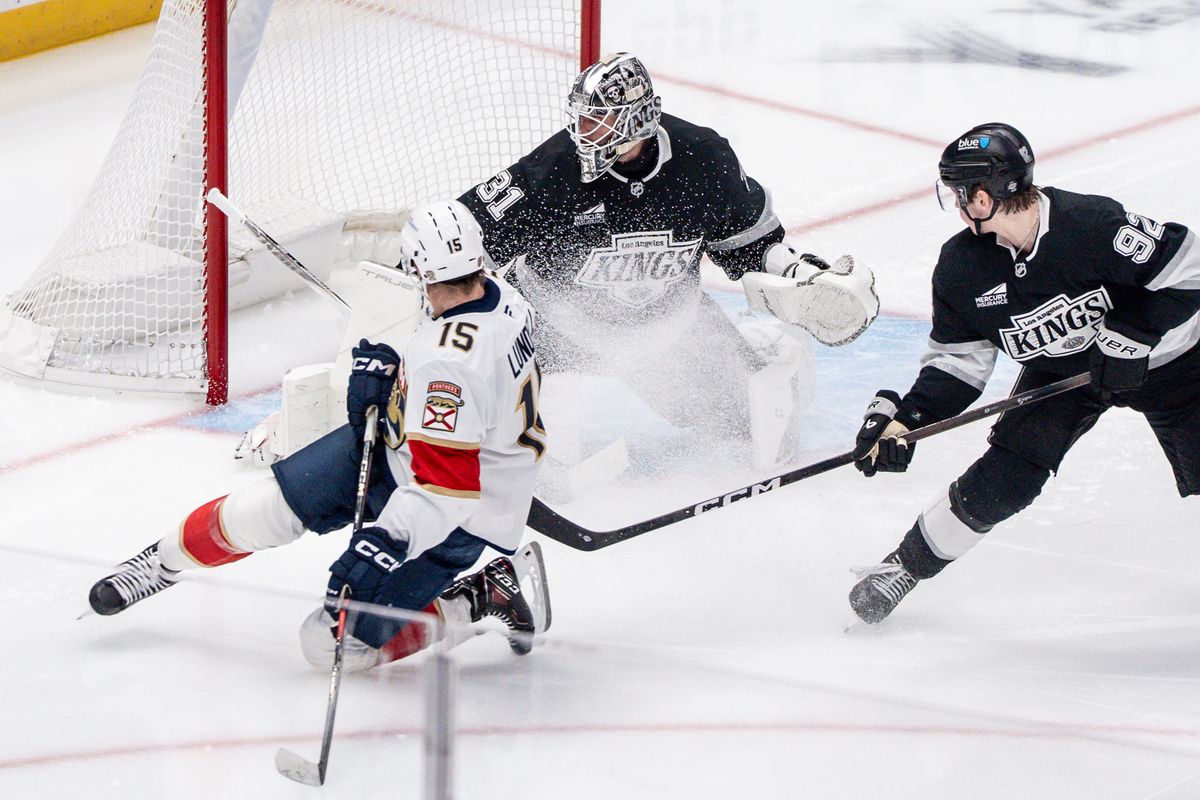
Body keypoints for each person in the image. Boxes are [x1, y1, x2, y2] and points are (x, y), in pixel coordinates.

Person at [88, 200, 552, 671]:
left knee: (331, 645)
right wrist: (389, 361)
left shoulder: (449, 366)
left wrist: (386, 545)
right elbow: (441, 340)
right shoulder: (500, 295)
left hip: (460, 512)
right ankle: (159, 564)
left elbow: (447, 488)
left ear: (417, 266)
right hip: (403, 448)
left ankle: (479, 595)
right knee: (260, 511)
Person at [848, 122, 1200, 624]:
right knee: (1004, 480)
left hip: (1175, 363)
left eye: (960, 192)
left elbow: (1192, 268)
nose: (956, 203)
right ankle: (902, 567)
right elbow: (959, 364)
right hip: (1064, 376)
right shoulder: (962, 266)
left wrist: (1134, 333)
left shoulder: (1092, 224)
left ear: (988, 194)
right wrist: (911, 417)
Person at [457, 52, 879, 467]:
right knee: (507, 445)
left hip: (667, 329)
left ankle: (765, 343)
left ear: (636, 120)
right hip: (555, 325)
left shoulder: (702, 157)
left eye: (597, 120)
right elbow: (468, 236)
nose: (582, 131)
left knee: (745, 425)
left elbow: (748, 240)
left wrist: (795, 272)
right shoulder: (554, 170)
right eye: (581, 118)